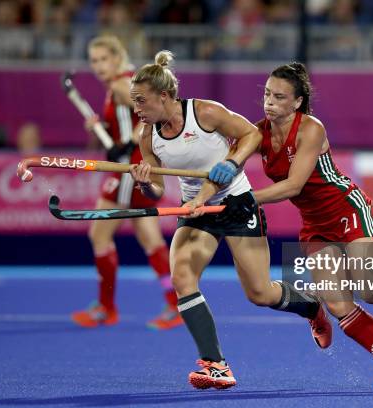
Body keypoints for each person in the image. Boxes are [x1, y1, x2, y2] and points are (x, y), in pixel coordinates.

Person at [218, 62, 373, 392]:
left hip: (349, 211)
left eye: (279, 97)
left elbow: (293, 186)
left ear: (297, 102)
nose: (269, 102)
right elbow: (228, 158)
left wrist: (248, 199)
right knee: (337, 304)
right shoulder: (258, 132)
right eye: (266, 94)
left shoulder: (311, 129)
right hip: (315, 226)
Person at [129, 50, 332, 390]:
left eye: (141, 101)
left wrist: (232, 162)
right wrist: (145, 182)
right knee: (182, 276)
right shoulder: (147, 135)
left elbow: (250, 134)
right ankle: (215, 364)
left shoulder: (205, 112)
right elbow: (157, 190)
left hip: (237, 204)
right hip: (196, 210)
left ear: (164, 96)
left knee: (260, 293)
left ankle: (311, 308)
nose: (137, 109)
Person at [70, 36, 183, 330]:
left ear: (117, 57)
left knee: (99, 235)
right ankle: (176, 303)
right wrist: (102, 127)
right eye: (93, 61)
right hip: (135, 165)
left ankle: (107, 308)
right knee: (150, 239)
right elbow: (126, 121)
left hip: (130, 168)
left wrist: (125, 144)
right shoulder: (122, 84)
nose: (97, 66)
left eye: (103, 59)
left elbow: (150, 117)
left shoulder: (123, 85)